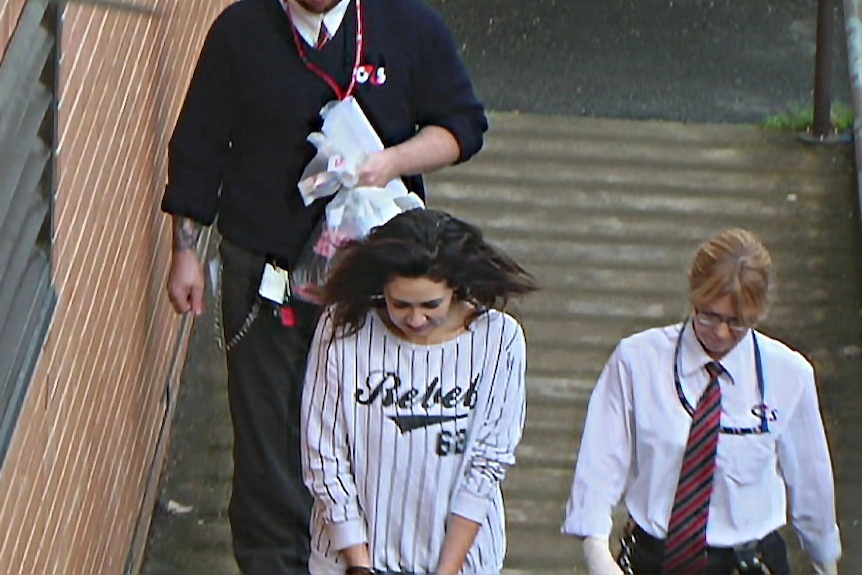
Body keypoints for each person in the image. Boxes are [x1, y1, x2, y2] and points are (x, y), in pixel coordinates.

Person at [160, 0, 488, 572]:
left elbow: (462, 127)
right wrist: (185, 252)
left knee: (365, 433)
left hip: (375, 285)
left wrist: (390, 161)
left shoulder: (406, 25)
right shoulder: (241, 32)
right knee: (269, 439)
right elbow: (199, 144)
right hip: (266, 275)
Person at [561, 229, 842, 575]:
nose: (721, 334)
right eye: (709, 315)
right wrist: (597, 552)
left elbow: (811, 481)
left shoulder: (789, 374)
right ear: (692, 290)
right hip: (656, 557)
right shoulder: (637, 361)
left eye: (738, 323)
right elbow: (600, 463)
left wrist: (825, 560)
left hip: (749, 562)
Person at [301, 209, 537, 575]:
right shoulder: (342, 328)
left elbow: (487, 464)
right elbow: (323, 454)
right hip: (347, 562)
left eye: (431, 306)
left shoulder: (499, 339)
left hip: (462, 563)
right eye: (401, 305)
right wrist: (359, 565)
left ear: (455, 289)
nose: (415, 319)